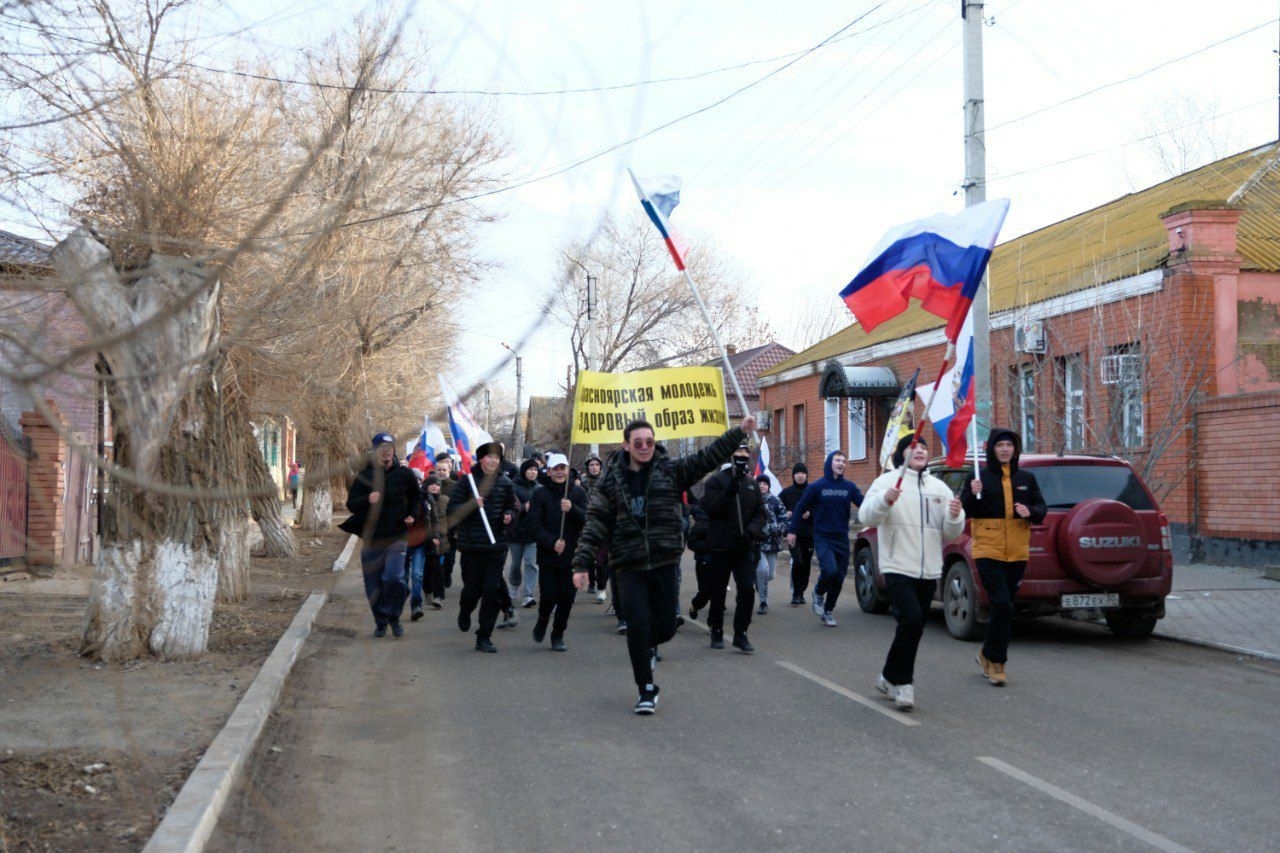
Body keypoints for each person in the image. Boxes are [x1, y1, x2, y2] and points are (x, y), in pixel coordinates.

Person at [573, 415, 757, 714]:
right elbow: (595, 522)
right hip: (629, 564)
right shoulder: (610, 480)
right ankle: (646, 689)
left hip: (664, 559)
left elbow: (707, 457)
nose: (645, 447)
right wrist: (581, 564)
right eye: (638, 443)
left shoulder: (671, 470)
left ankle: (650, 643)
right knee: (636, 627)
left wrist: (739, 432)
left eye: (649, 441)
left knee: (667, 627)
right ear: (626, 445)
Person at [859, 435, 964, 711]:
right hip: (897, 565)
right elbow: (866, 517)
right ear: (902, 454)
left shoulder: (939, 488)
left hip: (929, 569)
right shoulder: (886, 483)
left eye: (923, 448)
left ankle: (888, 675)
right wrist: (885, 500)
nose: (919, 451)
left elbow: (950, 533)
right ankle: (904, 684)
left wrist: (955, 515)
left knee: (913, 627)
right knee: (913, 621)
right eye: (913, 447)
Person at [962, 427, 1046, 687]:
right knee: (1001, 604)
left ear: (1015, 449)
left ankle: (986, 652)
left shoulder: (1027, 478)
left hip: (1017, 550)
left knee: (1006, 607)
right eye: (1000, 445)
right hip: (988, 548)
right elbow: (967, 509)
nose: (1005, 449)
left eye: (1009, 445)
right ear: (992, 449)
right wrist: (972, 492)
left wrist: (1028, 510)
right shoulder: (979, 476)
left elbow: (1041, 510)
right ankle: (998, 661)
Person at [340, 433, 420, 638]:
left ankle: (394, 617)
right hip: (372, 538)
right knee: (374, 585)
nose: (386, 451)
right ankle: (381, 621)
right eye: (381, 448)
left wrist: (412, 515)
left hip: (397, 536)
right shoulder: (365, 476)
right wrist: (367, 498)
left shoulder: (405, 475)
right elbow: (351, 505)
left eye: (389, 447)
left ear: (394, 451)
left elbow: (415, 500)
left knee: (394, 577)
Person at [449, 441, 518, 653]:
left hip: (496, 546)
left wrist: (509, 516)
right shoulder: (466, 482)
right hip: (471, 547)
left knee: (493, 591)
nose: (494, 461)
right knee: (472, 591)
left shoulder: (505, 483)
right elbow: (452, 510)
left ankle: (484, 636)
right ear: (481, 459)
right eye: (490, 457)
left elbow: (511, 507)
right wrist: (471, 505)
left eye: (497, 458)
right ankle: (465, 610)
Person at [700, 443, 767, 653]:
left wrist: (750, 532)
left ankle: (741, 633)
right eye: (738, 453)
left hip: (743, 546)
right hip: (720, 547)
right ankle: (716, 628)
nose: (742, 456)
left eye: (745, 453)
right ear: (731, 455)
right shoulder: (716, 481)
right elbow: (710, 508)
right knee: (718, 591)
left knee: (747, 589)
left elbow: (760, 513)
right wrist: (729, 491)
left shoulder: (751, 484)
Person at [786, 451, 863, 627]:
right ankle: (818, 591)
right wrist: (792, 531)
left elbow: (864, 504)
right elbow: (800, 507)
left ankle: (828, 611)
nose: (841, 463)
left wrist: (880, 502)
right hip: (822, 536)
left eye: (844, 460)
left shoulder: (849, 487)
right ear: (829, 462)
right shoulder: (816, 486)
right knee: (830, 571)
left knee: (839, 578)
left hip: (841, 537)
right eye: (837, 460)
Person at [528, 453, 588, 651]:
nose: (560, 472)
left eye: (563, 468)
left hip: (573, 555)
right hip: (548, 555)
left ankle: (558, 634)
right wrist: (552, 542)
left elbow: (588, 520)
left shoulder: (578, 492)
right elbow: (534, 525)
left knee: (567, 598)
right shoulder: (540, 493)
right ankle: (543, 618)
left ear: (568, 470)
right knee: (549, 596)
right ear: (549, 471)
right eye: (556, 468)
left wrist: (572, 509)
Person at [508, 459, 541, 608]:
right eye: (530, 469)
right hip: (515, 533)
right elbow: (507, 507)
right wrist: (522, 508)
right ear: (523, 471)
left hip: (533, 533)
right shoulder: (512, 487)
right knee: (515, 565)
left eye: (535, 469)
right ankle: (514, 587)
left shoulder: (540, 488)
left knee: (531, 563)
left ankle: (528, 595)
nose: (533, 472)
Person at [778, 463, 813, 606]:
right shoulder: (787, 492)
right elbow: (776, 508)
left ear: (806, 475)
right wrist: (786, 514)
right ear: (793, 476)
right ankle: (796, 594)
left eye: (803, 473)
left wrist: (810, 513)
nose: (800, 475)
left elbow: (820, 508)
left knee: (806, 564)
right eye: (797, 473)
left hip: (809, 534)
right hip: (793, 535)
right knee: (798, 561)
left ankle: (801, 592)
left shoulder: (812, 491)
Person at [755, 475, 789, 615]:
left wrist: (779, 528)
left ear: (768, 486)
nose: (762, 486)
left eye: (765, 483)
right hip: (757, 542)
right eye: (760, 483)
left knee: (769, 575)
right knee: (762, 570)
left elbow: (784, 519)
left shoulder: (775, 500)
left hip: (773, 543)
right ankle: (763, 601)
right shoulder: (753, 500)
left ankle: (759, 583)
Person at [434, 452, 459, 592]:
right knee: (434, 559)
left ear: (449, 470)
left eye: (444, 470)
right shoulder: (429, 484)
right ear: (435, 470)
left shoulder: (455, 486)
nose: (442, 472)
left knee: (450, 558)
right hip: (435, 530)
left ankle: (447, 573)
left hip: (451, 529)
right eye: (439, 470)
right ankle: (435, 584)